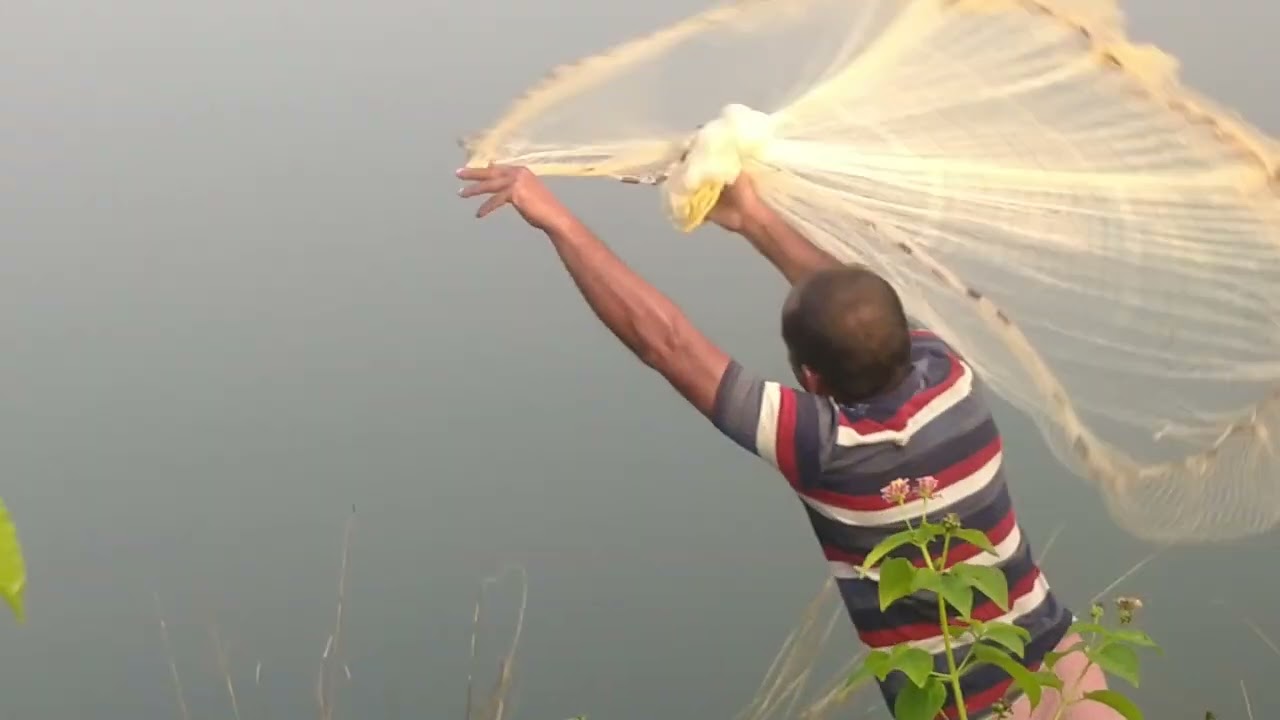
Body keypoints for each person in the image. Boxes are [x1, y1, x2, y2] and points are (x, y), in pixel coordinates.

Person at [456, 164, 1118, 720]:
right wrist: (757, 220)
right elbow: (862, 305)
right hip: (1067, 671)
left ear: (809, 378)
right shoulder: (953, 380)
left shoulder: (826, 448)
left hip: (971, 707)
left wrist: (559, 221)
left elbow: (668, 344)